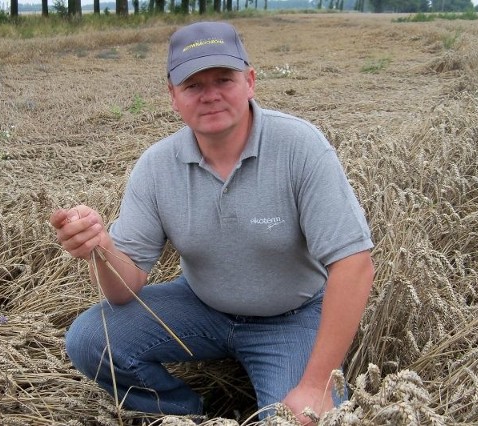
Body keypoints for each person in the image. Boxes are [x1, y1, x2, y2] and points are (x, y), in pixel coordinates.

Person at [50, 21, 374, 423]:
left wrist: (317, 383)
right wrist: (100, 248)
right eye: (193, 86)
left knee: (300, 419)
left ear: (251, 81)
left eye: (224, 79)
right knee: (90, 340)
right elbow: (124, 290)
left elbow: (353, 263)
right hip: (202, 306)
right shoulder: (156, 167)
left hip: (292, 316)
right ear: (173, 96)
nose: (211, 96)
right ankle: (183, 414)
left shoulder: (300, 147)